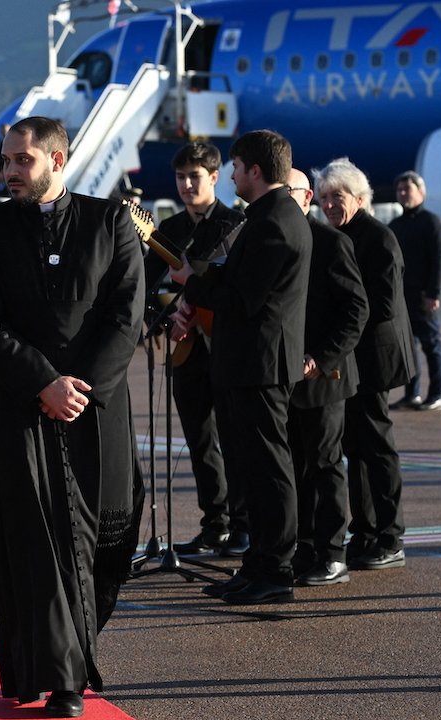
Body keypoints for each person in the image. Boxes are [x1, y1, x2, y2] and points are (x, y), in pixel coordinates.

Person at [0, 116, 144, 717]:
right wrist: (43, 382)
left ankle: (71, 653)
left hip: (94, 407)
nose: (8, 171)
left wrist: (78, 387)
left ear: (57, 161)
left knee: (102, 540)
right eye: (6, 161)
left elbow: (125, 315)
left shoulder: (110, 222)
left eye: (22, 161)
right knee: (31, 541)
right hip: (19, 405)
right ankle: (56, 675)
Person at [169, 130, 311, 605]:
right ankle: (256, 564)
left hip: (260, 364)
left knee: (268, 471)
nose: (230, 174)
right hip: (249, 363)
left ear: (254, 170)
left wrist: (192, 284)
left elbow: (244, 300)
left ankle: (276, 570)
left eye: (233, 166)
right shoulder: (268, 216)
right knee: (251, 469)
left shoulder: (273, 221)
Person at [144, 141, 249, 558]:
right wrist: (166, 319)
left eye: (195, 177)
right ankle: (214, 523)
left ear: (214, 177)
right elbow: (151, 289)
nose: (187, 184)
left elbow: (236, 289)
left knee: (233, 437)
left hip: (224, 345)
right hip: (185, 347)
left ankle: (243, 523)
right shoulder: (167, 229)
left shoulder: (235, 223)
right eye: (180, 177)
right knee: (199, 438)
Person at [315, 158, 416, 571]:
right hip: (350, 356)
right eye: (323, 198)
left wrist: (339, 331)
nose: (329, 205)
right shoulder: (336, 234)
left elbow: (383, 305)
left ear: (360, 198)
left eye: (337, 197)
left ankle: (391, 536)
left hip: (374, 356)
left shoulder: (378, 237)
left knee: (376, 446)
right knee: (354, 446)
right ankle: (366, 531)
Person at [284, 169, 369, 586]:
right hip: (286, 375)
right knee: (297, 464)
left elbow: (356, 310)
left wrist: (320, 357)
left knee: (325, 463)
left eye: (289, 193)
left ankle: (333, 554)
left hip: (324, 373)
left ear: (306, 198)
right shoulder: (277, 240)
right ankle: (305, 546)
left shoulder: (332, 242)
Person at [389, 170, 441, 411]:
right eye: (400, 190)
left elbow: (440, 259)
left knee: (431, 345)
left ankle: (437, 394)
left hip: (426, 297)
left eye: (408, 189)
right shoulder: (396, 225)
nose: (403, 194)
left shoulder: (432, 222)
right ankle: (411, 394)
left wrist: (434, 293)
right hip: (402, 298)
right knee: (408, 347)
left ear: (421, 193)